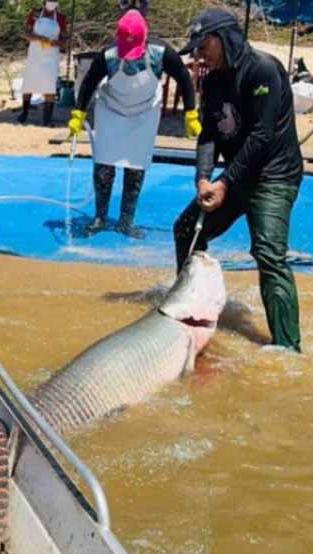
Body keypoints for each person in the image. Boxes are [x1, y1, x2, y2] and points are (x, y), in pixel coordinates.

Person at [173, 8, 303, 352]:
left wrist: (224, 182)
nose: (200, 56)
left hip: (274, 176)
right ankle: (189, 310)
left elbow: (261, 136)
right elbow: (209, 136)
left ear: (223, 39)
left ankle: (287, 348)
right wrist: (203, 179)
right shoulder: (213, 79)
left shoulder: (263, 70)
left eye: (203, 47)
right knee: (186, 229)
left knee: (268, 254)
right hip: (235, 176)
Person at [68, 10, 199, 239]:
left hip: (145, 112)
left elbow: (184, 78)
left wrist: (191, 113)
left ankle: (126, 221)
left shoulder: (161, 52)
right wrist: (78, 112)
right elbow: (89, 83)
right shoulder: (108, 55)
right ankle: (100, 216)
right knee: (104, 164)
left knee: (135, 166)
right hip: (111, 110)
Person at [19, 0, 68, 126]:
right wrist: (39, 38)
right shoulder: (35, 14)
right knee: (29, 84)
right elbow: (27, 33)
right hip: (35, 55)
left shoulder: (61, 18)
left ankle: (47, 118)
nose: (51, 3)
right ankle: (24, 113)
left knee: (49, 86)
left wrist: (56, 42)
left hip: (51, 57)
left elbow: (64, 39)